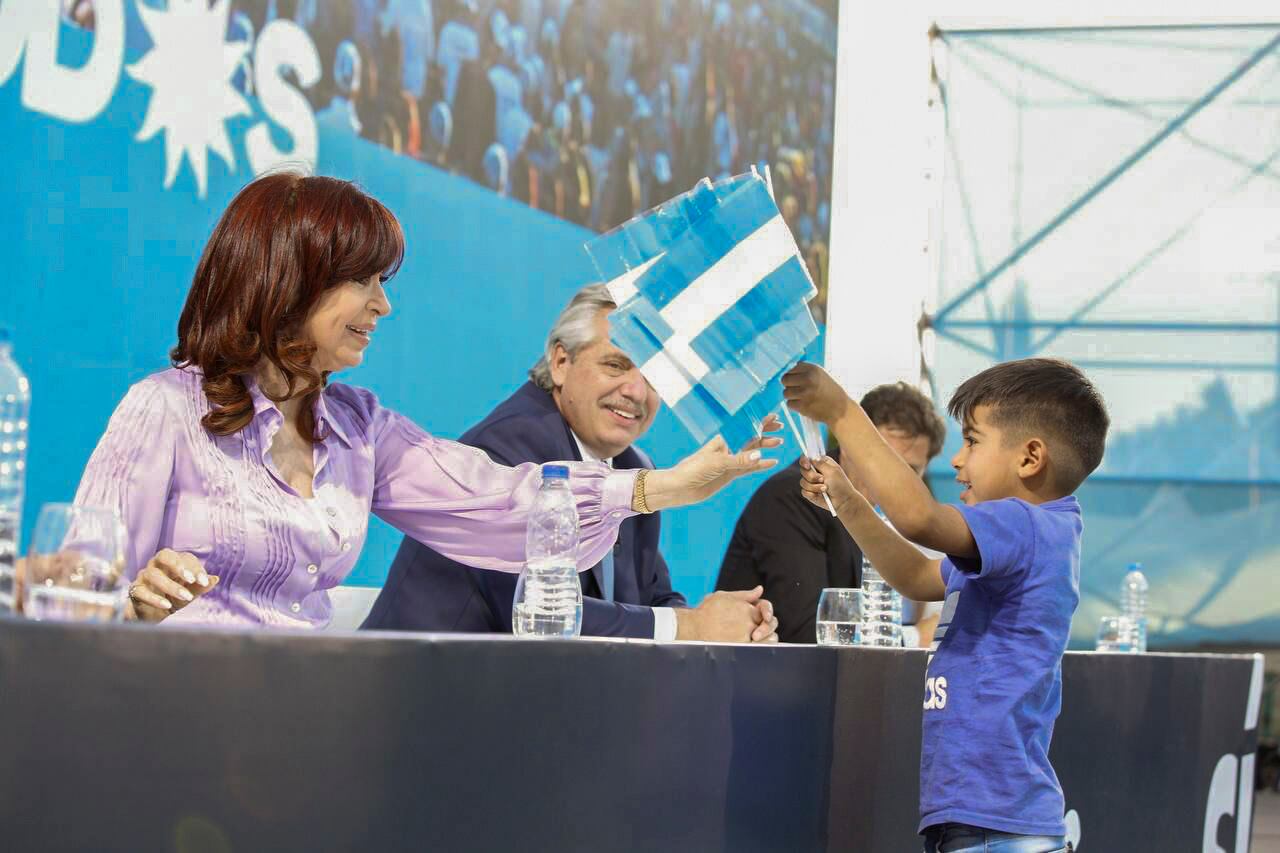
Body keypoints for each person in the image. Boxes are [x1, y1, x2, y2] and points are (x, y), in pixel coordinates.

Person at [63, 172, 781, 627]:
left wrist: (663, 487)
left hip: (299, 734)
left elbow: (504, 505)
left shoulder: (359, 429)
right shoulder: (162, 410)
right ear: (290, 278)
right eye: (365, 281)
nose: (384, 305)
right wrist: (129, 600)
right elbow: (72, 599)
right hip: (173, 728)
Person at [783, 358, 1108, 852]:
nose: (957, 461)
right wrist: (848, 503)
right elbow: (915, 576)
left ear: (1030, 458)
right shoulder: (1020, 540)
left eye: (972, 441)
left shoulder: (1025, 525)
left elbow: (919, 519)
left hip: (995, 827)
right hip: (979, 822)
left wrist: (844, 414)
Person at [364, 284, 778, 642]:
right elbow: (538, 613)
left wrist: (726, 619)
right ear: (561, 362)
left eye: (655, 377)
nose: (636, 390)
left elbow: (650, 596)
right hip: (421, 701)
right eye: (615, 365)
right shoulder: (508, 447)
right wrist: (688, 628)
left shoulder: (631, 462)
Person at [716, 382, 946, 644]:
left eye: (910, 469)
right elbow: (810, 633)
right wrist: (917, 637)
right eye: (883, 460)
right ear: (848, 444)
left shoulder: (880, 520)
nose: (893, 479)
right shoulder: (797, 496)